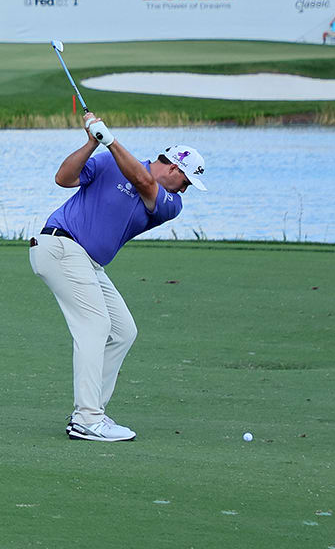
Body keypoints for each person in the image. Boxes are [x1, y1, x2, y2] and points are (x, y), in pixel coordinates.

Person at [30, 105, 206, 443]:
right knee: (96, 325)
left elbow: (141, 180)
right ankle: (87, 419)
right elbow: (63, 179)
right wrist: (91, 143)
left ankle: (91, 409)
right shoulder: (110, 160)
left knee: (123, 330)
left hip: (88, 262)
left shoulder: (170, 203)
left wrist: (109, 140)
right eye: (185, 181)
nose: (184, 190)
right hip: (60, 246)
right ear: (172, 166)